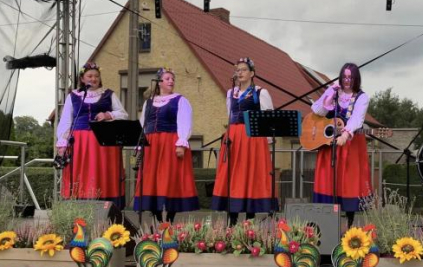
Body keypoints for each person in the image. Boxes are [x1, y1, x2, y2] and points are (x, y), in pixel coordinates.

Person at [211, 57, 277, 225]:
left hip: (252, 139)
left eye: (243, 70)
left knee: (250, 175)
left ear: (252, 73)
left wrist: (266, 144)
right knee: (232, 176)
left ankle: (250, 220)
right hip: (233, 138)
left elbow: (268, 120)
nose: (239, 72)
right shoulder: (230, 93)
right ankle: (232, 220)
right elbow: (230, 115)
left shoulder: (261, 92)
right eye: (238, 70)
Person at [56, 61, 129, 208]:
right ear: (82, 78)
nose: (93, 79)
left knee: (102, 172)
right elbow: (66, 120)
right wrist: (62, 142)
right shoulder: (74, 96)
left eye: (96, 76)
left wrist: (108, 115)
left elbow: (123, 114)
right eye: (89, 76)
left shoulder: (108, 94)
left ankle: (107, 206)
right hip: (80, 141)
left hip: (103, 140)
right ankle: (78, 206)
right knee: (80, 174)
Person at [133, 67, 199, 222]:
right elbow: (143, 123)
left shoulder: (180, 100)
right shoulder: (148, 102)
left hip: (170, 143)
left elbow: (184, 121)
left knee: (169, 179)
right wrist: (140, 142)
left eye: (173, 79)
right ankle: (157, 220)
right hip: (151, 145)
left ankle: (169, 220)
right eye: (167, 78)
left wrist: (181, 142)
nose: (171, 81)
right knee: (151, 179)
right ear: (159, 82)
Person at [312, 63, 372, 227]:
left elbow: (357, 119)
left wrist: (345, 134)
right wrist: (330, 93)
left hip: (350, 144)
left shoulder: (362, 97)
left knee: (349, 181)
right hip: (329, 144)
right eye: (344, 77)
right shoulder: (334, 92)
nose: (347, 80)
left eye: (350, 77)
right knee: (329, 180)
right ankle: (328, 224)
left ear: (356, 79)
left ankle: (349, 225)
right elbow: (317, 110)